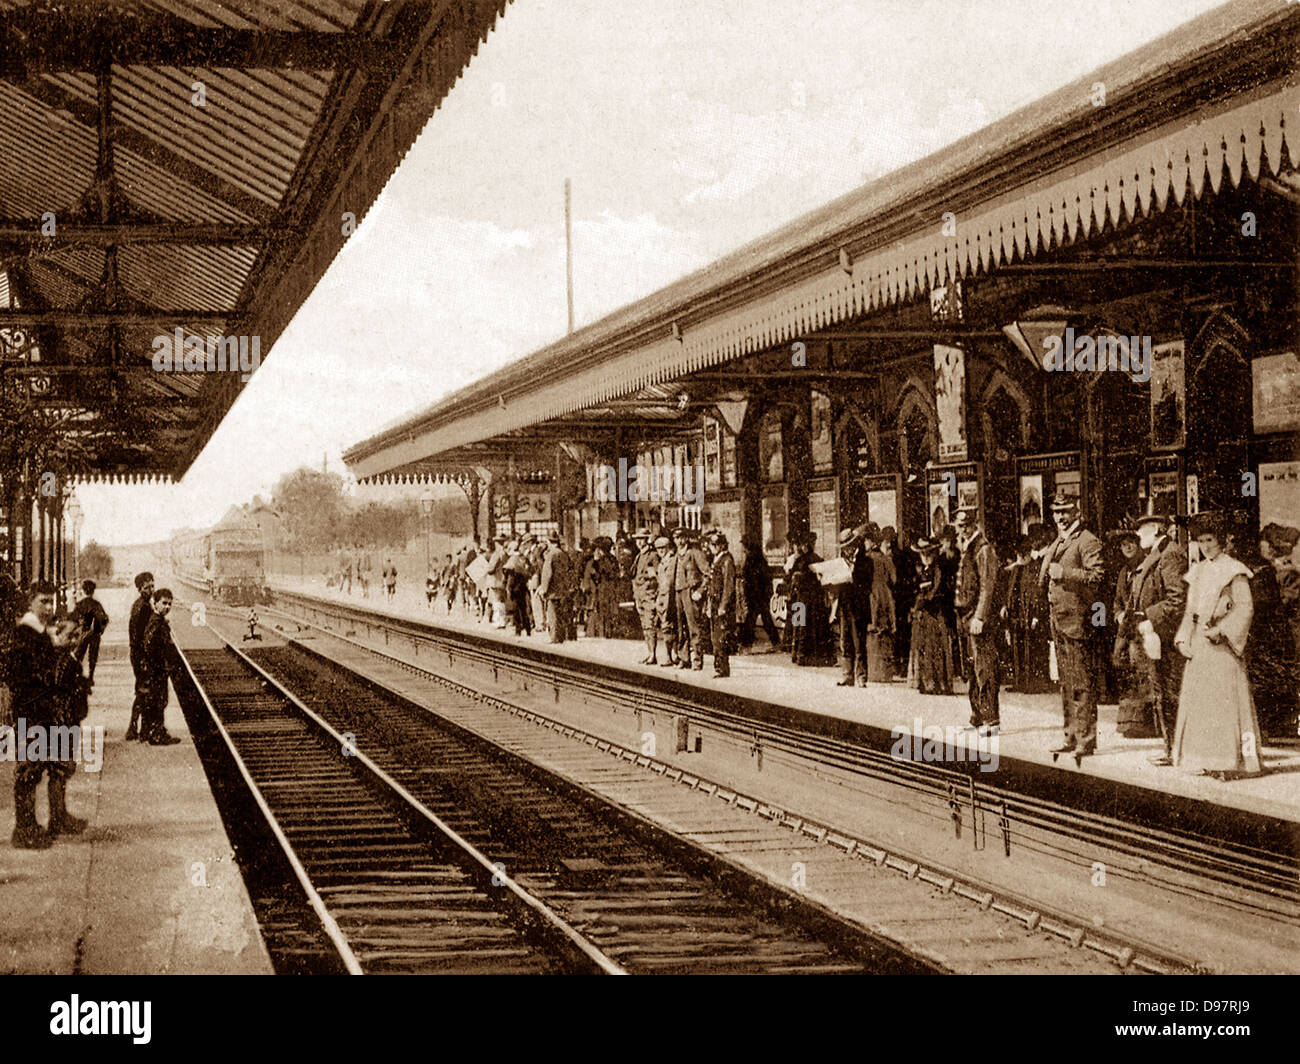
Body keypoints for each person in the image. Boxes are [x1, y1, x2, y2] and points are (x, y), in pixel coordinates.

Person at [1172, 513, 1265, 777]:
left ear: (1221, 540)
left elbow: (1245, 609)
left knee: (1223, 703)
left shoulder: (1234, 569)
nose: (1206, 546)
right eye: (1201, 541)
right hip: (1201, 646)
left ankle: (1228, 762)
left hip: (1222, 647)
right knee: (1201, 703)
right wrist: (1182, 637)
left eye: (1210, 539)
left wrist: (1223, 631)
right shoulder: (1198, 570)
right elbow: (1190, 610)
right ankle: (1203, 758)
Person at [8, 581, 83, 848]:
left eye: (51, 602)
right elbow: (28, 675)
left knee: (56, 765)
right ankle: (24, 830)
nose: (49, 607)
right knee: (29, 771)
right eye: (43, 601)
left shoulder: (38, 632)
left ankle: (57, 818)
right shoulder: (25, 634)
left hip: (45, 710)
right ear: (30, 602)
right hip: (32, 713)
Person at [1040, 493, 1105, 761]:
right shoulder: (1060, 541)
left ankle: (1086, 739)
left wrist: (1065, 573)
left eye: (1065, 511)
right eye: (1056, 512)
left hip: (1077, 622)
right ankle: (1071, 735)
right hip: (1059, 619)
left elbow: (1097, 577)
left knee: (1080, 682)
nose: (1060, 517)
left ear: (1076, 512)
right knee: (1066, 683)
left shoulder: (1087, 541)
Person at [1123, 513, 1188, 759]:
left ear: (1158, 530)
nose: (1138, 535)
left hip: (1166, 636)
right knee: (1162, 693)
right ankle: (1171, 748)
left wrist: (1149, 616)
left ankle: (1175, 749)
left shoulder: (1169, 554)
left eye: (1143, 529)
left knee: (1170, 693)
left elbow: (1177, 599)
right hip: (1155, 633)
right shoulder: (1157, 553)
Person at [1247, 524, 1299, 742]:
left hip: (1287, 635)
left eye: (1267, 543)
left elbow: (1283, 603)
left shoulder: (1287, 574)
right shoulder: (1271, 570)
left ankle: (1282, 724)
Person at [953, 508, 1002, 735]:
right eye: (960, 526)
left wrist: (980, 616)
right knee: (972, 669)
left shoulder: (983, 549)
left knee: (984, 667)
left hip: (976, 617)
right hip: (965, 615)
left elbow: (987, 585)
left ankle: (991, 719)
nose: (963, 529)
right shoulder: (966, 548)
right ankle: (977, 716)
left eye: (966, 525)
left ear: (975, 525)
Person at [1108, 529, 1157, 739]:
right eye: (1123, 545)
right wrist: (1118, 614)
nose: (1127, 548)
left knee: (1144, 675)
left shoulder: (1147, 569)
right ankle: (1129, 723)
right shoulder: (1123, 572)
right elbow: (1117, 601)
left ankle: (1146, 724)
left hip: (1142, 628)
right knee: (1127, 674)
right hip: (1126, 631)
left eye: (1131, 544)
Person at [910, 537, 954, 694]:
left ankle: (938, 683)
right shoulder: (924, 570)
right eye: (922, 554)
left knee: (935, 647)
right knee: (925, 647)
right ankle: (926, 681)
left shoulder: (937, 569)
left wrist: (923, 600)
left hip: (935, 612)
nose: (925, 557)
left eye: (928, 553)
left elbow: (936, 589)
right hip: (925, 613)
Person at [139, 588, 182, 746]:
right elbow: (150, 645)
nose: (167, 607)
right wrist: (160, 663)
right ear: (155, 603)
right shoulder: (156, 622)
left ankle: (157, 730)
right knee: (158, 700)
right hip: (156, 670)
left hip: (156, 669)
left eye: (170, 604)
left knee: (159, 700)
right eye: (164, 603)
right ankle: (156, 734)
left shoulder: (157, 620)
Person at [834, 526, 872, 687]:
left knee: (859, 644)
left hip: (858, 608)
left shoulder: (866, 561)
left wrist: (852, 575)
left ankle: (861, 676)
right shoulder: (841, 562)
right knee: (845, 642)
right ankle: (847, 675)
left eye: (848, 547)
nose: (846, 551)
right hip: (845, 606)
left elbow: (867, 585)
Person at [786, 531, 831, 666]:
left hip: (800, 598)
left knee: (799, 626)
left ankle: (799, 655)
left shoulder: (799, 560)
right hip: (812, 599)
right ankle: (812, 656)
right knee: (811, 626)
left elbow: (792, 577)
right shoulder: (817, 559)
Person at [672, 527, 710, 670]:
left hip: (690, 593)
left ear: (686, 538)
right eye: (676, 538)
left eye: (681, 537)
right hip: (678, 593)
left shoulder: (695, 553)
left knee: (694, 627)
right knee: (681, 627)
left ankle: (697, 659)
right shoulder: (676, 555)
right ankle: (684, 657)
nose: (678, 540)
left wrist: (700, 591)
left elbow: (707, 574)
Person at [862, 524, 897, 682]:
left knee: (871, 629)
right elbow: (894, 579)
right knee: (885, 630)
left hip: (872, 596)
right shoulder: (885, 558)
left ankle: (873, 671)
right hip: (885, 595)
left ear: (870, 541)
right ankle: (885, 672)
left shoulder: (867, 558)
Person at [126, 570, 155, 742]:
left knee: (142, 690)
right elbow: (141, 636)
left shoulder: (138, 604)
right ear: (140, 589)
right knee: (144, 691)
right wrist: (145, 659)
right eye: (147, 587)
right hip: (141, 655)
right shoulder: (143, 607)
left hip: (136, 653)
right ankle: (137, 729)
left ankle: (135, 727)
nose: (151, 590)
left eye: (152, 586)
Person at [886, 527, 918, 680]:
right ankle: (902, 666)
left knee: (897, 633)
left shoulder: (894, 557)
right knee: (903, 633)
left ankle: (898, 666)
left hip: (897, 599)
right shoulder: (907, 555)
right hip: (904, 599)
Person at [704, 529, 737, 678]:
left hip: (722, 606)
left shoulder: (727, 560)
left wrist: (723, 606)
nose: (711, 547)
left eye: (714, 545)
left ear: (721, 545)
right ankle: (718, 667)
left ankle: (723, 668)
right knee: (715, 637)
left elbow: (728, 585)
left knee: (721, 637)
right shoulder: (718, 559)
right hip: (714, 603)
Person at [738, 536, 778, 649]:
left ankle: (746, 645)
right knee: (765, 619)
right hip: (759, 594)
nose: (743, 549)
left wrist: (751, 593)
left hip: (756, 594)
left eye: (744, 546)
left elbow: (754, 579)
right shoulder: (758, 558)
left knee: (751, 620)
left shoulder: (752, 559)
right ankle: (775, 642)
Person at [538, 531, 577, 644]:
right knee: (561, 614)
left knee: (553, 614)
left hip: (553, 590)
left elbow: (547, 574)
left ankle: (554, 637)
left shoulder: (551, 555)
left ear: (549, 542)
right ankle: (561, 637)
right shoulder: (564, 554)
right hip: (563, 589)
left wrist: (544, 589)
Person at [630, 530, 662, 664]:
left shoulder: (652, 555)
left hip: (648, 594)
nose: (639, 542)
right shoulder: (639, 556)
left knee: (650, 624)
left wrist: (649, 583)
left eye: (642, 539)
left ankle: (652, 654)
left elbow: (657, 576)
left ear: (647, 540)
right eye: (637, 539)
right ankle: (649, 653)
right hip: (639, 594)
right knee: (644, 625)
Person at [70, 579, 109, 687]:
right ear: (93, 591)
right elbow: (104, 619)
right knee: (93, 656)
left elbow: (73, 618)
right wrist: (100, 630)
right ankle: (91, 676)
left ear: (83, 590)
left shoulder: (80, 604)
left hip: (83, 633)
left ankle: (77, 675)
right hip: (95, 634)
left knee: (79, 654)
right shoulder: (96, 604)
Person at [583, 540, 620, 638]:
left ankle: (599, 633)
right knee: (608, 613)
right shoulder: (613, 559)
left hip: (601, 590)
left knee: (599, 613)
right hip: (610, 590)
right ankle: (608, 633)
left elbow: (595, 576)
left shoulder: (598, 562)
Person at [654, 534, 680, 666]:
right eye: (658, 549)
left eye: (663, 548)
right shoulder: (662, 562)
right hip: (662, 599)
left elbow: (669, 583)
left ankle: (672, 656)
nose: (660, 551)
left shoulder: (671, 561)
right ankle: (670, 656)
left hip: (669, 600)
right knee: (667, 629)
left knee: (669, 628)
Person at [504, 539, 533, 636]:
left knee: (516, 609)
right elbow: (530, 570)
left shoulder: (512, 560)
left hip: (515, 587)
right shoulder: (524, 558)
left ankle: (518, 630)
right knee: (524, 608)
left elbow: (510, 576)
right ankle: (528, 628)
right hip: (523, 586)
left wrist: (509, 588)